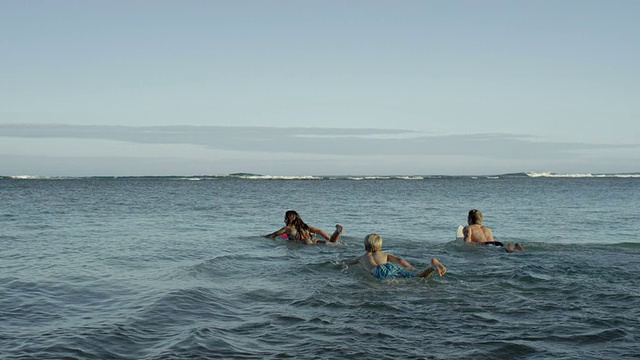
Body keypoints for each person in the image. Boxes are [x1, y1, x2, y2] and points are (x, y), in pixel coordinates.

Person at [345, 233, 446, 280]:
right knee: (415, 276)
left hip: (377, 271)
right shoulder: (384, 254)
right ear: (380, 245)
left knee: (396, 282)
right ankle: (431, 267)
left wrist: (340, 264)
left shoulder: (362, 257)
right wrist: (411, 267)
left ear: (365, 245)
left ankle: (431, 268)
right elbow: (399, 260)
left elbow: (348, 264)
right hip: (392, 267)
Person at [264, 210, 343, 245]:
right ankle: (337, 232)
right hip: (313, 239)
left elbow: (273, 235)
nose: (284, 221)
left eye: (285, 218)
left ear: (288, 219)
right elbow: (319, 231)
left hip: (304, 242)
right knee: (331, 242)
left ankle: (336, 234)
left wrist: (263, 237)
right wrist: (327, 237)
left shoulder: (287, 228)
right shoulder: (305, 226)